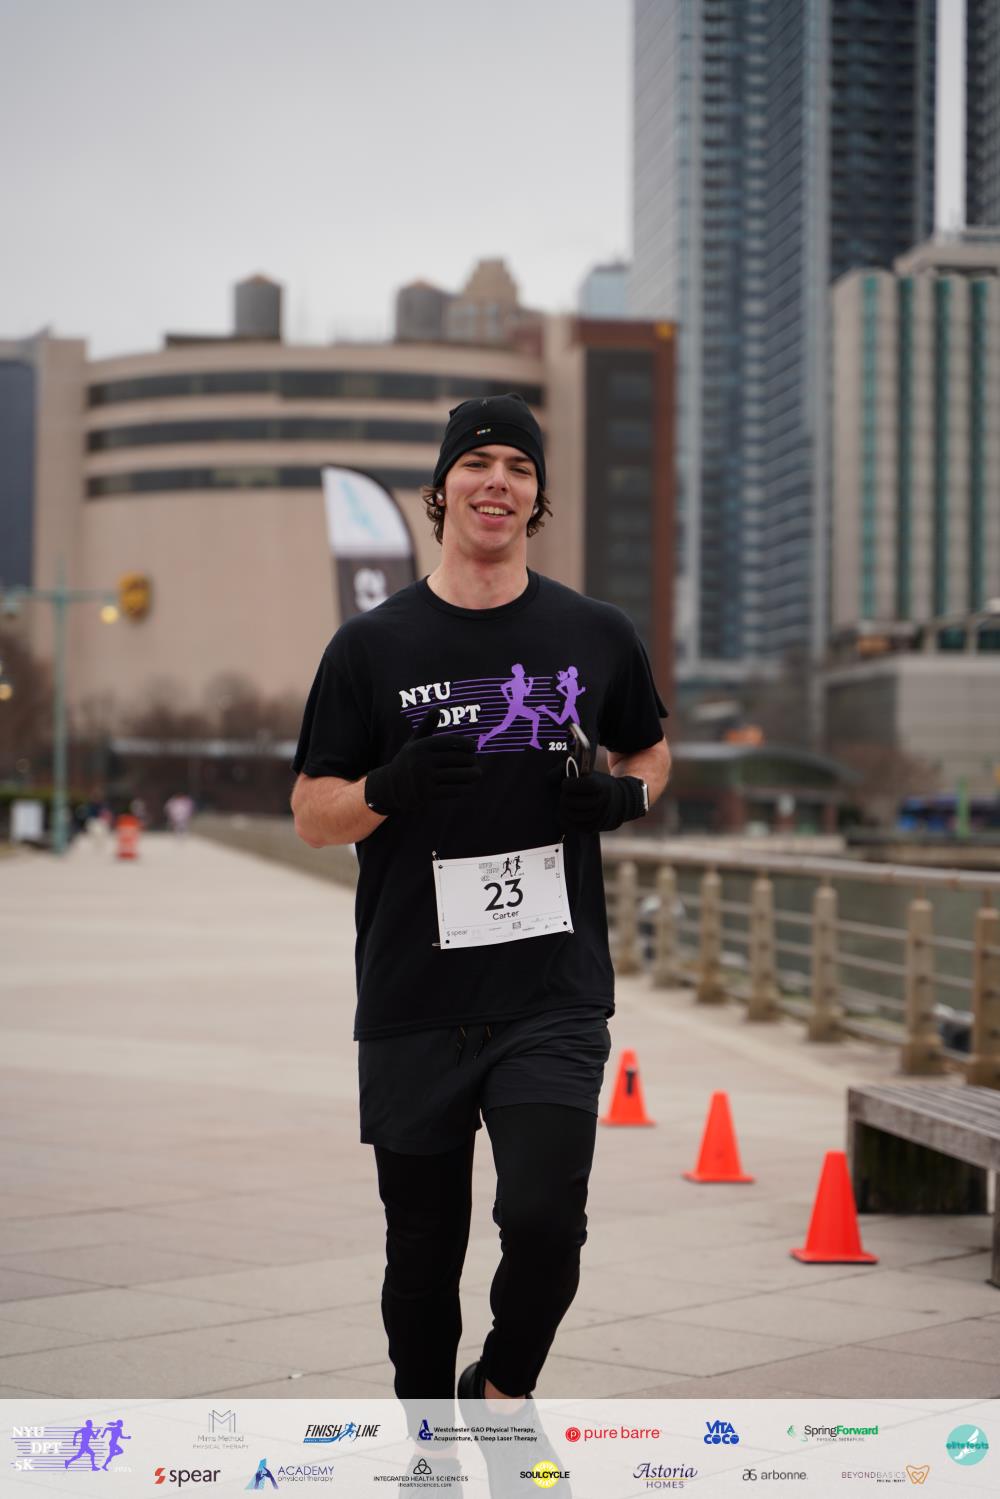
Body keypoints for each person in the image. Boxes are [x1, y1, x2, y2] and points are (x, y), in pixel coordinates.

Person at [291, 392, 670, 1413]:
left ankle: (499, 1390)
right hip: (414, 992)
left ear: (537, 497)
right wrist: (387, 787)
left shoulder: (595, 631)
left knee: (546, 1222)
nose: (497, 481)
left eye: (519, 467)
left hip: (551, 990)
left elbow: (648, 747)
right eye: (478, 462)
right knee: (422, 1252)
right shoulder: (369, 647)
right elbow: (312, 814)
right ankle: (427, 1432)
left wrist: (624, 796)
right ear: (443, 486)